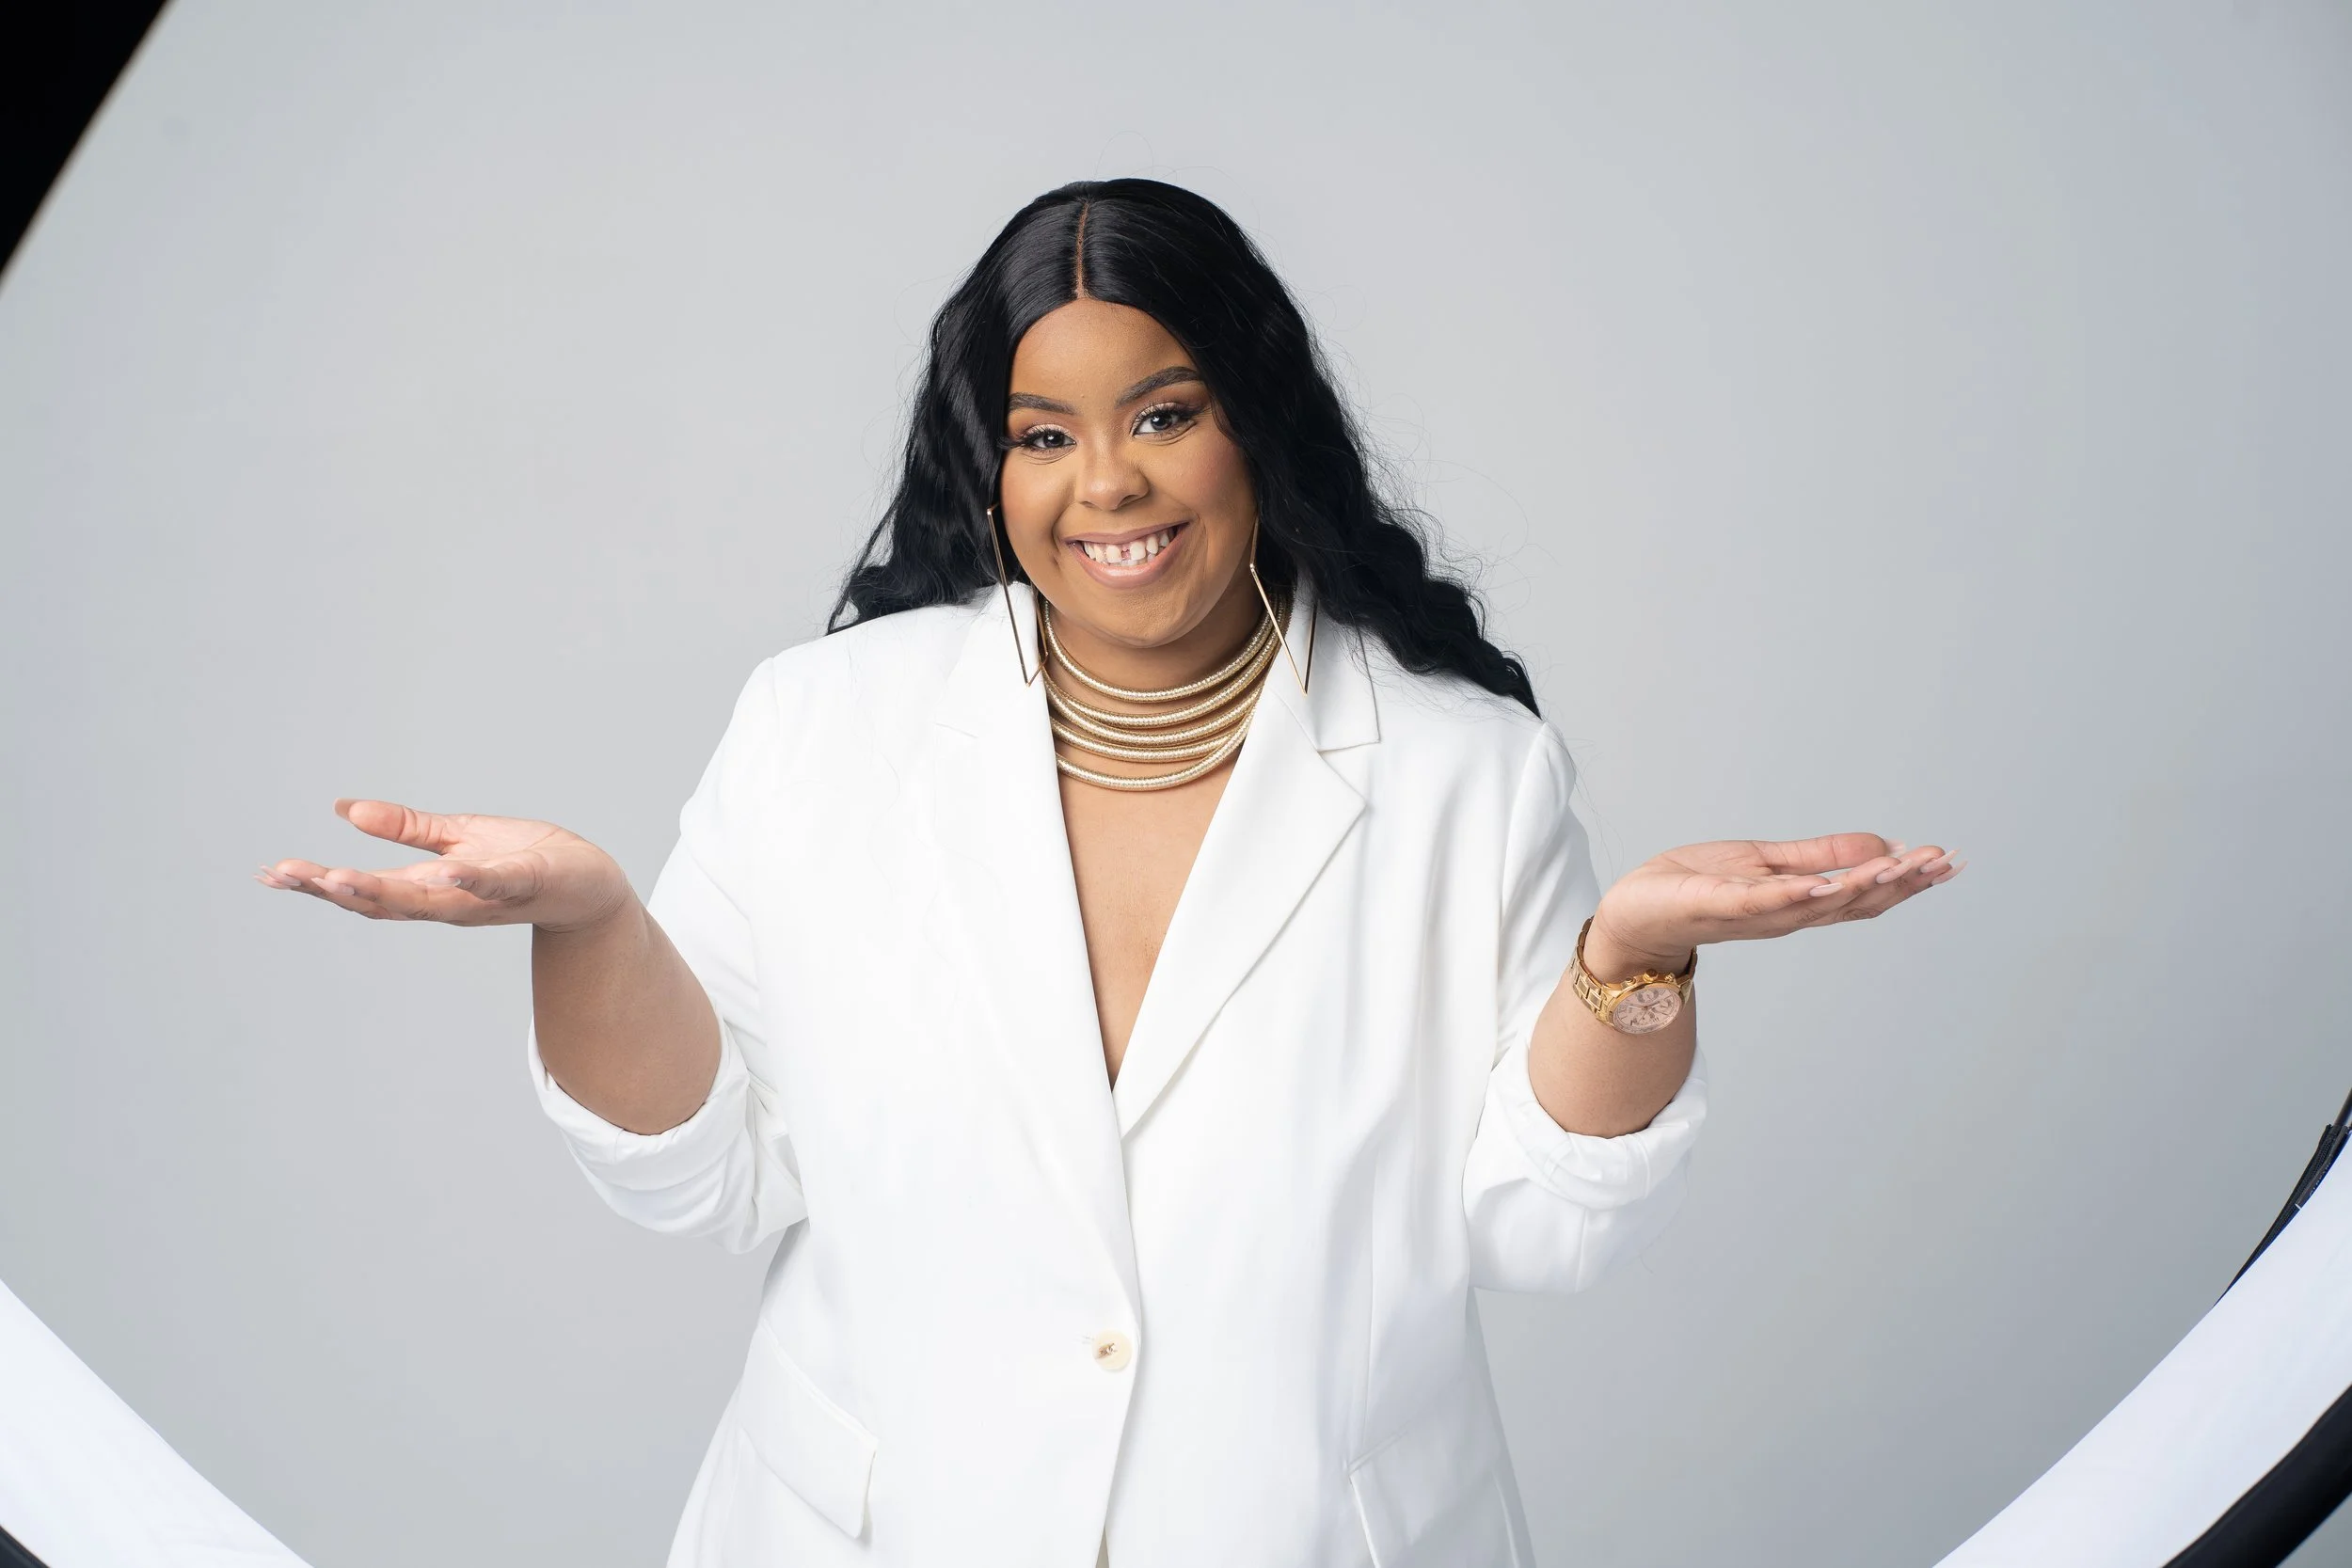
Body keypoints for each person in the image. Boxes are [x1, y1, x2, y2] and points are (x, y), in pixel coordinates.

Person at [258, 180, 1962, 1568]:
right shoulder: (822, 727)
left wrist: (1635, 953)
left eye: (1164, 412)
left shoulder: (1466, 769)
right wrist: (589, 922)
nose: (1109, 483)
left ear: (1254, 425)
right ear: (992, 463)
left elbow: (1539, 1220)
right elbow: (711, 1179)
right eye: (1044, 433)